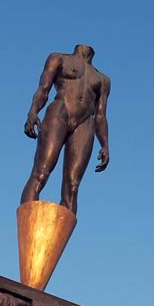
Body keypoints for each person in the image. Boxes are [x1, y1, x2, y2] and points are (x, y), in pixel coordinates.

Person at [21, 45, 110, 215]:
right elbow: (43, 89)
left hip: (85, 123)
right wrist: (33, 111)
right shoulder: (58, 58)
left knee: (73, 186)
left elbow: (100, 115)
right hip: (60, 112)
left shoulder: (103, 80)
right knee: (41, 172)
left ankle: (59, 237)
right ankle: (28, 234)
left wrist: (104, 144)